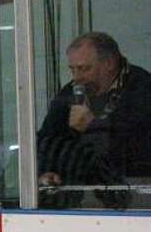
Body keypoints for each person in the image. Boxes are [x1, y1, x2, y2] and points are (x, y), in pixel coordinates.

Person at [37, 31, 151, 204]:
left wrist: (93, 126)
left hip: (134, 198)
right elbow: (47, 138)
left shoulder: (142, 89)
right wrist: (46, 170)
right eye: (72, 69)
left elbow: (138, 149)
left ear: (109, 63)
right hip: (81, 196)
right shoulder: (70, 92)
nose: (76, 77)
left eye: (84, 68)